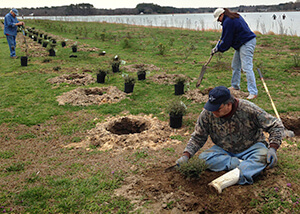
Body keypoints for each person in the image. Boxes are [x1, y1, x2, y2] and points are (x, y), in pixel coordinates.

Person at [176, 86, 284, 193]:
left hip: (252, 147)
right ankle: (245, 165)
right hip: (224, 149)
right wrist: (186, 155)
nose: (214, 112)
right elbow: (198, 136)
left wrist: (273, 147)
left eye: (217, 109)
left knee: (263, 156)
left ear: (229, 104)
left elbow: (276, 125)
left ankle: (224, 181)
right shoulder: (207, 113)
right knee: (203, 158)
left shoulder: (248, 109)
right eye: (211, 108)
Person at [212, 8, 258, 100]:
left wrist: (219, 49)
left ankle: (253, 92)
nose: (218, 21)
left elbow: (227, 40)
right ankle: (235, 85)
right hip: (241, 43)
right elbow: (224, 36)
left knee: (246, 67)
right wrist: (218, 46)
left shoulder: (228, 21)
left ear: (222, 15)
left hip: (247, 42)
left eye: (218, 19)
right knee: (235, 65)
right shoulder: (231, 18)